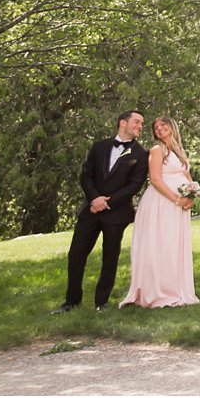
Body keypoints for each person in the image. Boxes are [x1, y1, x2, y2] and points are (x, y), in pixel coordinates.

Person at [55, 110, 149, 313]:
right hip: (90, 210)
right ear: (122, 122)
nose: (140, 126)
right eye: (137, 121)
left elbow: (134, 186)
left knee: (110, 258)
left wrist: (107, 202)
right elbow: (86, 176)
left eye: (142, 123)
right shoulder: (99, 147)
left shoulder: (141, 154)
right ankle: (71, 301)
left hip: (116, 214)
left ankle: (101, 302)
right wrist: (94, 198)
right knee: (77, 254)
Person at [121, 116, 199, 308]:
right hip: (162, 203)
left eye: (163, 125)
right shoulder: (157, 150)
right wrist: (177, 199)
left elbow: (187, 176)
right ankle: (158, 290)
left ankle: (176, 287)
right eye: (156, 128)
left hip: (179, 205)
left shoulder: (179, 151)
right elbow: (155, 180)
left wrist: (192, 196)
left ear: (172, 127)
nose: (159, 129)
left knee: (174, 245)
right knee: (161, 244)